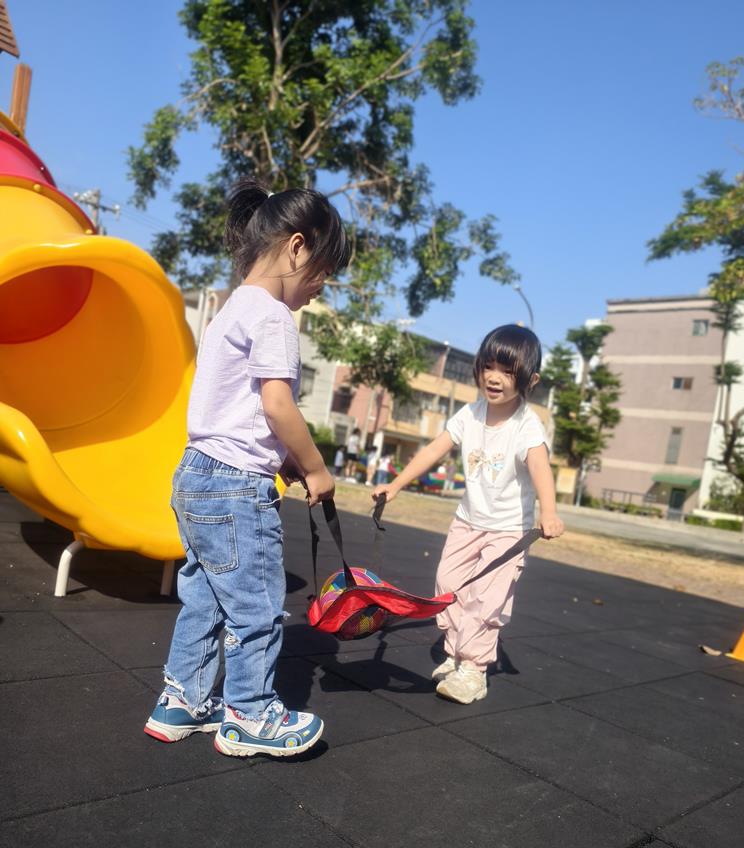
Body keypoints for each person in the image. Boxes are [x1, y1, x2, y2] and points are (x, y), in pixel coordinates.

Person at [144, 178, 349, 756]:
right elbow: (277, 405)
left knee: (206, 598)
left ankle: (182, 702)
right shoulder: (274, 317)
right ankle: (251, 714)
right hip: (236, 487)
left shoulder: (230, 308)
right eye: (323, 271)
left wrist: (282, 459)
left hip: (195, 473)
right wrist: (315, 467)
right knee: (256, 605)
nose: (321, 286)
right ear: (297, 247)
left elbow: (240, 410)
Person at [373, 324, 564, 705]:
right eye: (489, 366)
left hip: (507, 531)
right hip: (467, 521)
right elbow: (434, 449)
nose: (495, 378)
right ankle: (457, 652)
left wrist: (549, 511)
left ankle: (474, 670)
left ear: (531, 380)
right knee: (447, 584)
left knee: (486, 598)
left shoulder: (526, 425)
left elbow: (540, 467)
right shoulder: (469, 414)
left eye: (508, 371)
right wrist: (395, 485)